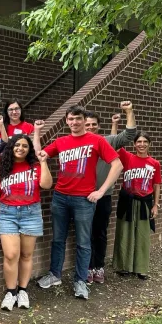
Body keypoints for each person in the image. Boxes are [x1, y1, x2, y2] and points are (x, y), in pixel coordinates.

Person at [37, 105, 122, 300]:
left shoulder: (97, 140)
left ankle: (81, 281)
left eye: (78, 119)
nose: (74, 122)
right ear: (66, 121)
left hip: (84, 200)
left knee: (84, 242)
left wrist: (101, 191)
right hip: (60, 197)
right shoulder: (61, 141)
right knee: (58, 239)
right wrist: (37, 136)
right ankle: (55, 275)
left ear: (84, 120)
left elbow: (117, 165)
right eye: (71, 119)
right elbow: (41, 154)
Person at [0, 132, 52, 310]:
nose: (21, 148)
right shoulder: (0, 168)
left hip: (31, 213)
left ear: (29, 149)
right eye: (17, 145)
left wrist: (43, 162)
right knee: (10, 255)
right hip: (7, 214)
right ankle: (11, 292)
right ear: (11, 147)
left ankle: (23, 290)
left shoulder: (35, 166)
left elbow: (46, 185)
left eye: (25, 146)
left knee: (26, 255)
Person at [84, 101, 136, 284]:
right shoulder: (77, 144)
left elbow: (129, 134)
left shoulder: (106, 141)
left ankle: (98, 267)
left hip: (103, 197)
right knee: (85, 235)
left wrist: (129, 111)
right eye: (87, 124)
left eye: (93, 125)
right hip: (82, 198)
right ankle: (87, 268)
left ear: (98, 126)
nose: (90, 127)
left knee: (100, 233)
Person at [112, 132, 162, 279]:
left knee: (142, 235)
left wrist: (156, 205)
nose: (142, 144)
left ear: (149, 144)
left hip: (144, 202)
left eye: (145, 141)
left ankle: (140, 268)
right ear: (134, 144)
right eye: (139, 141)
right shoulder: (127, 157)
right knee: (124, 233)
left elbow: (157, 184)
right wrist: (114, 125)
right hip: (127, 201)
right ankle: (124, 266)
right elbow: (115, 143)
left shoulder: (154, 163)